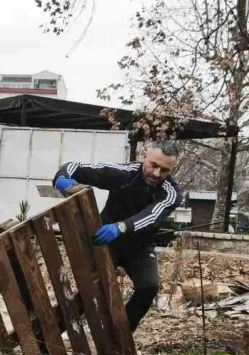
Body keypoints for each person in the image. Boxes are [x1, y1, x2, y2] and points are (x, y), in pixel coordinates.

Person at [52, 142, 182, 332]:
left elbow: (152, 215)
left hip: (139, 247)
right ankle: (55, 331)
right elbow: (75, 167)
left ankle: (122, 334)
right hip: (106, 242)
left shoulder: (171, 192)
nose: (156, 173)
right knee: (92, 289)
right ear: (144, 157)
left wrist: (121, 227)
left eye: (164, 170)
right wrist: (61, 178)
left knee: (149, 287)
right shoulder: (124, 173)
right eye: (153, 165)